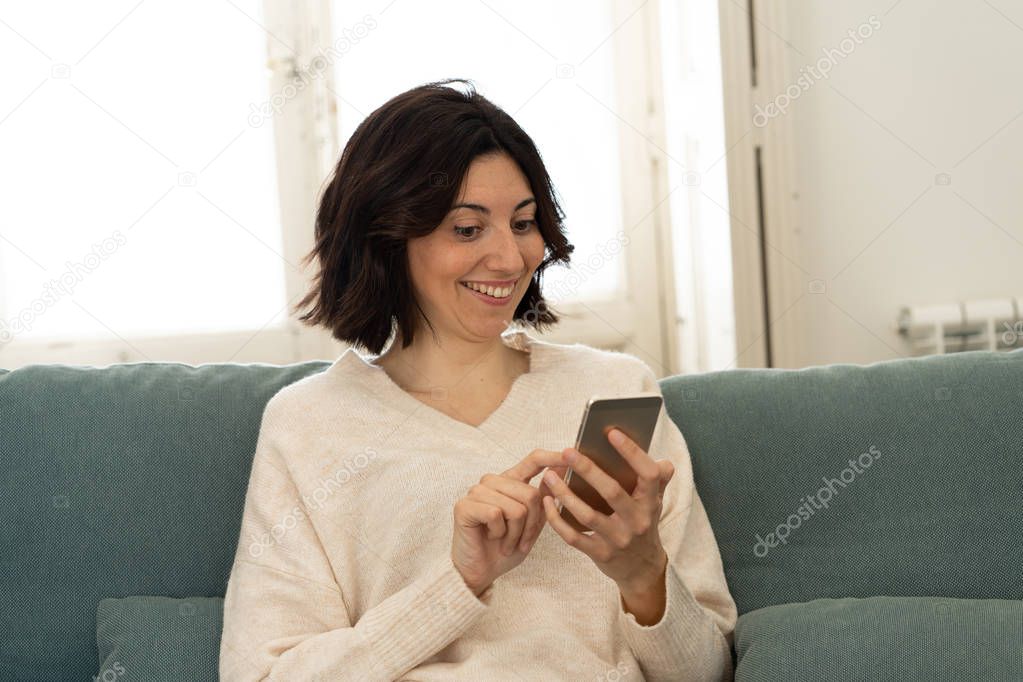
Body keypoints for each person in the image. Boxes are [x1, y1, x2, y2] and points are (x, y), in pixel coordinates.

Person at [219, 78, 737, 681]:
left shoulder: (616, 390)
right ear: (388, 238)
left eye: (523, 223)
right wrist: (459, 580)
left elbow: (710, 673)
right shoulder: (308, 425)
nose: (511, 259)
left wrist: (643, 575)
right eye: (467, 229)